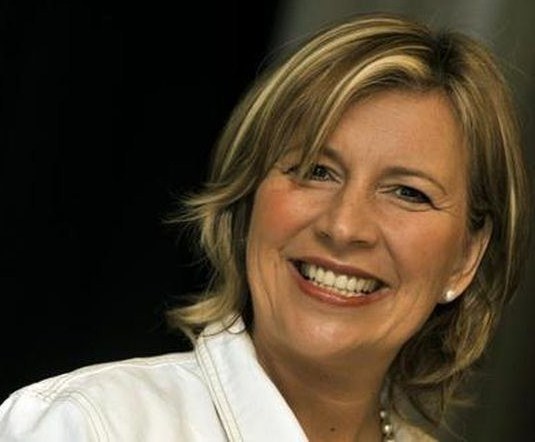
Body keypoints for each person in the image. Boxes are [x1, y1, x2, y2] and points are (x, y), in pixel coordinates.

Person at [0, 11, 530, 442]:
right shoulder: (89, 425)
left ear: (466, 258)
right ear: (250, 194)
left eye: (408, 193)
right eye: (316, 171)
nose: (344, 226)